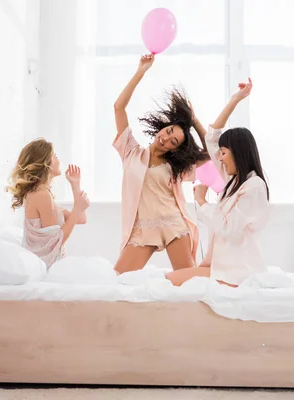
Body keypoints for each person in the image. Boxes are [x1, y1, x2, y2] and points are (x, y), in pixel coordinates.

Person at [166, 78, 271, 287]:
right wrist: (235, 99)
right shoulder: (234, 181)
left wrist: (202, 202)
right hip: (220, 266)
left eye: (223, 153)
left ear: (238, 153)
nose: (219, 158)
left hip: (237, 272)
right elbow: (212, 137)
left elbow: (229, 230)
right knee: (167, 280)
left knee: (169, 283)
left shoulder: (254, 187)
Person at [113, 54, 210, 274]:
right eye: (168, 132)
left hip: (174, 225)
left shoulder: (176, 167)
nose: (165, 139)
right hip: (142, 229)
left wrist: (194, 119)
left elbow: (211, 152)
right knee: (118, 279)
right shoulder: (131, 151)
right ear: (162, 128)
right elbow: (119, 107)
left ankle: (218, 275)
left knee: (189, 281)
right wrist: (140, 71)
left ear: (175, 148)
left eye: (173, 141)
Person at [7, 138, 90, 267]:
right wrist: (78, 208)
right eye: (55, 156)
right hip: (46, 269)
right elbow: (55, 241)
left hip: (52, 265)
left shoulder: (44, 194)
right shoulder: (41, 195)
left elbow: (81, 219)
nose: (59, 160)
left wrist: (75, 185)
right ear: (46, 163)